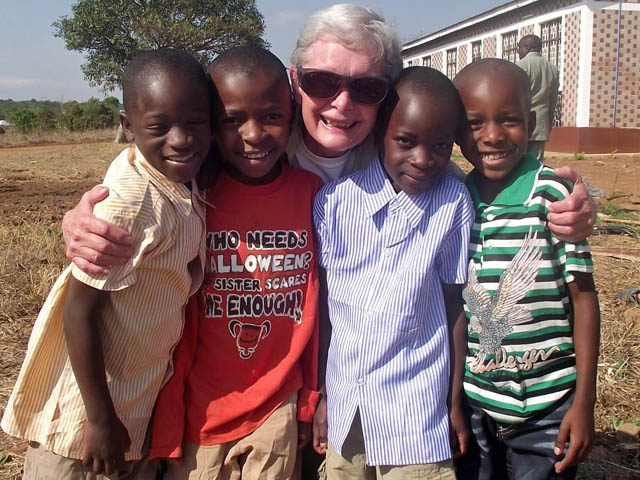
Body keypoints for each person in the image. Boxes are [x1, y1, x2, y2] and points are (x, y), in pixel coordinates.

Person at [60, 5, 594, 277]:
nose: (341, 103)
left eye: (365, 88)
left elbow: (479, 192)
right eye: (321, 82)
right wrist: (83, 217)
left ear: (386, 96)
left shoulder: (397, 161)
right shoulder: (251, 146)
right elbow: (151, 170)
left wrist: (569, 206)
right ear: (295, 81)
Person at [1, 48, 213, 479]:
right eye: (159, 127)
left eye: (195, 123)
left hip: (133, 407)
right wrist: (99, 420)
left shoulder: (181, 183)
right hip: (87, 426)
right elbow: (78, 313)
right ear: (128, 126)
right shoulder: (131, 200)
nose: (181, 139)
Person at [146, 45, 323, 479]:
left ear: (293, 114)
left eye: (272, 116)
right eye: (231, 120)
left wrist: (307, 399)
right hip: (202, 408)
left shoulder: (313, 194)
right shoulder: (193, 196)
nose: (254, 134)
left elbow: (315, 308)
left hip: (277, 401)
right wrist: (169, 421)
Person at [313, 66, 473, 479]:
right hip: (347, 408)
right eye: (405, 141)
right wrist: (324, 395)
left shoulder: (452, 203)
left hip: (415, 412)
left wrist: (454, 400)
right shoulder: (333, 204)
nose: (423, 159)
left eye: (440, 146)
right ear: (379, 132)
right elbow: (327, 310)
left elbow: (455, 306)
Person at [453, 58, 599, 480]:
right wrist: (455, 398)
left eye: (509, 120)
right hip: (478, 400)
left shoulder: (552, 195)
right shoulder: (455, 201)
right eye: (475, 123)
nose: (493, 135)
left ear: (532, 122)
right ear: (457, 131)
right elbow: (457, 305)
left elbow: (584, 300)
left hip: (549, 404)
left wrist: (584, 401)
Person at [517, 34, 560, 161]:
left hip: (521, 124)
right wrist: (548, 125)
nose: (518, 51)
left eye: (519, 47)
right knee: (535, 164)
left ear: (526, 47)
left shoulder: (521, 66)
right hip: (541, 124)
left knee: (517, 163)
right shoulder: (552, 69)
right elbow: (553, 101)